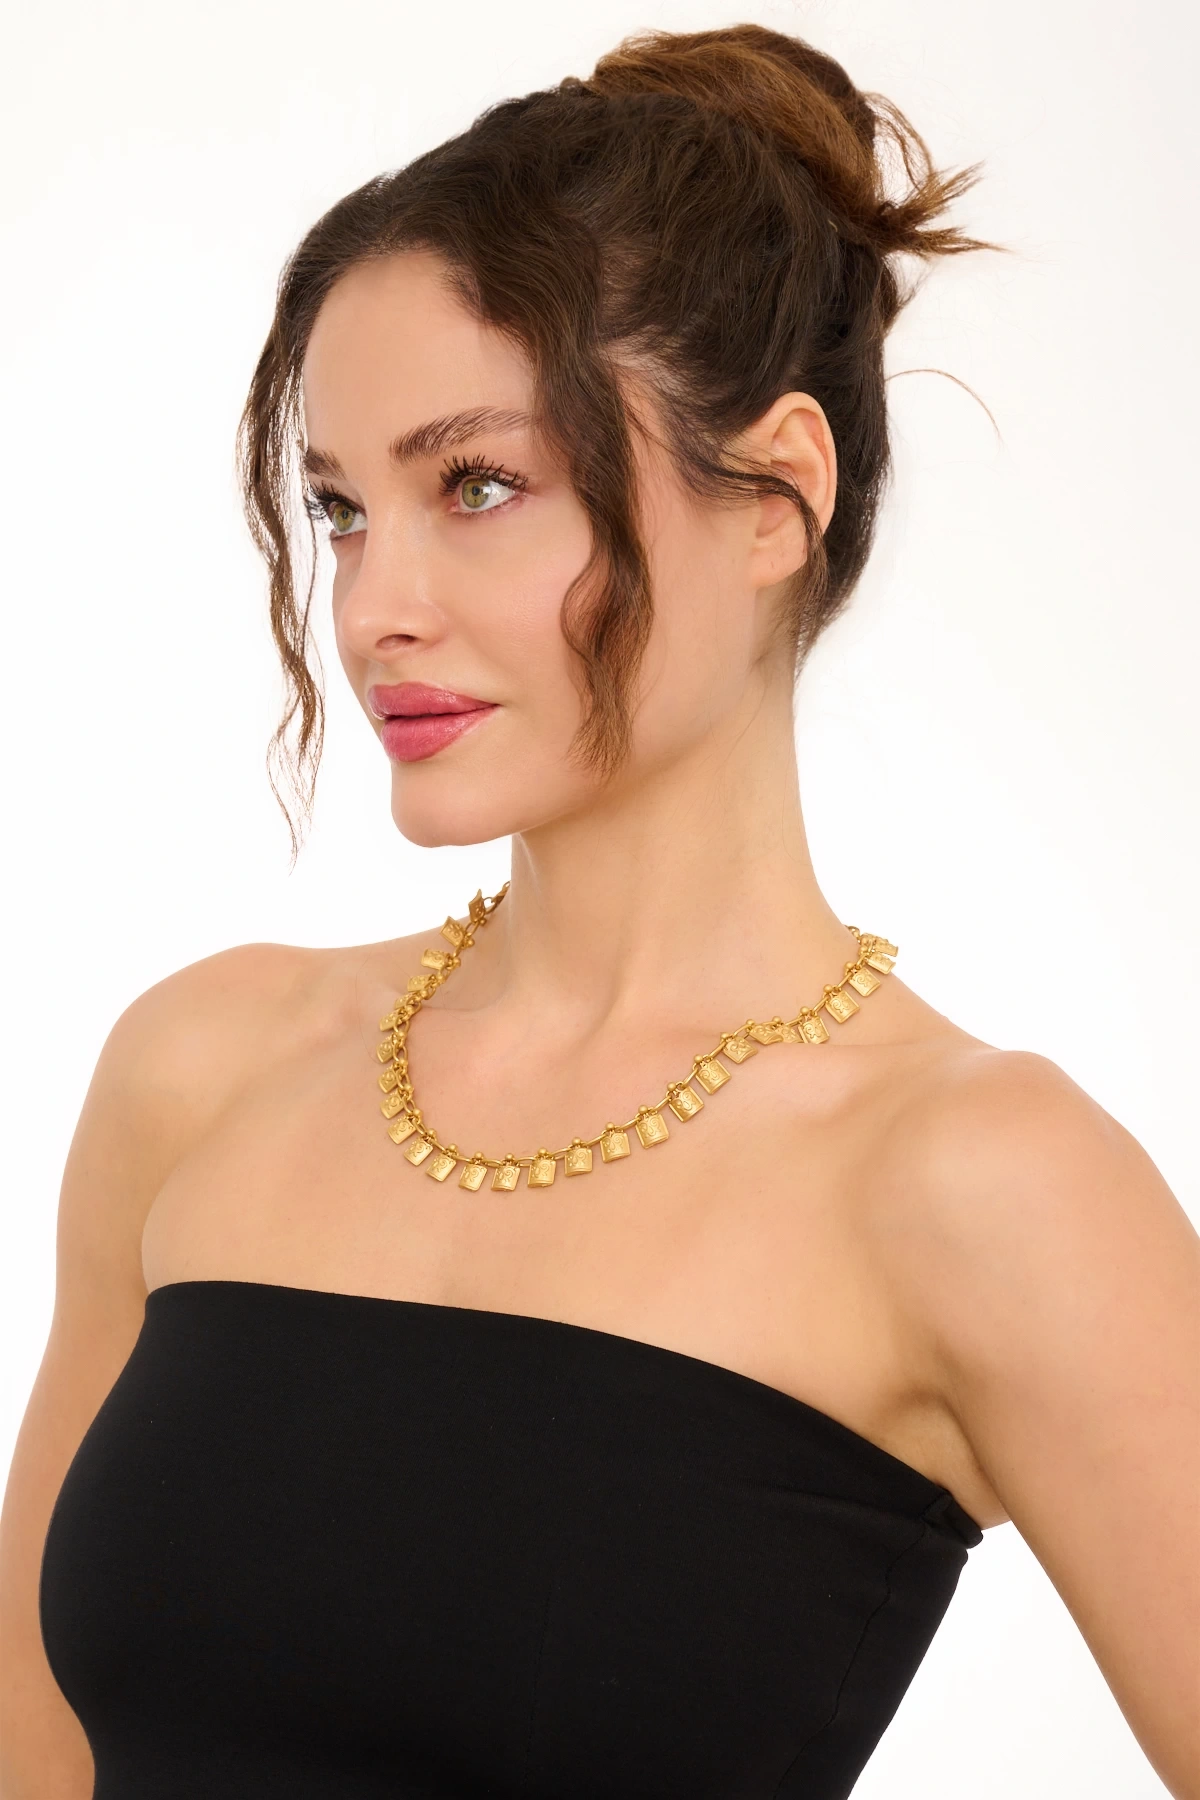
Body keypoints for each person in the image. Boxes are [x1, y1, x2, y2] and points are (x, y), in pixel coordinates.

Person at [1, 21, 1197, 1800]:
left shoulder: (977, 1183)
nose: (375, 606)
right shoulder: (204, 1069)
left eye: (478, 486)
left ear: (778, 493)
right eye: (342, 508)